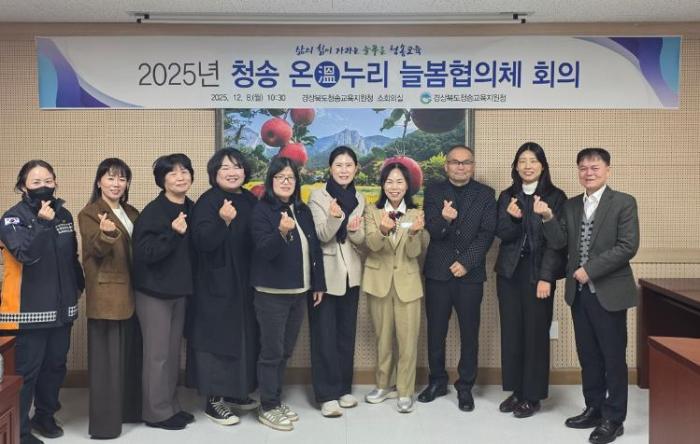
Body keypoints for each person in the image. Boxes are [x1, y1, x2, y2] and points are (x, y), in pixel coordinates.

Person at [537, 148, 639, 444]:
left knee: (613, 357)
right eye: (583, 168)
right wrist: (548, 217)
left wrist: (589, 270)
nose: (588, 173)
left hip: (609, 292)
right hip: (579, 294)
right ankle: (594, 408)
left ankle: (614, 418)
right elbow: (559, 242)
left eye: (595, 167)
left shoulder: (623, 202)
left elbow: (627, 246)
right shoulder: (571, 205)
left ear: (608, 170)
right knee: (589, 356)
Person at [0, 160, 84, 444]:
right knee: (26, 373)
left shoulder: (64, 215)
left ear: (56, 182)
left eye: (48, 181)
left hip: (62, 311)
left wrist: (78, 286)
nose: (43, 186)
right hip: (27, 313)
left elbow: (71, 257)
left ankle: (45, 416)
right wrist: (41, 223)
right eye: (36, 182)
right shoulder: (12, 218)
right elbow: (25, 254)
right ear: (23, 186)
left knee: (55, 368)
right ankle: (20, 430)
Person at [250, 156, 325, 431]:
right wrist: (281, 233)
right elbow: (264, 251)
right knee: (271, 352)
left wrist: (318, 284)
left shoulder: (301, 210)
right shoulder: (261, 211)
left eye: (290, 177)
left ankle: (275, 398)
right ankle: (267, 406)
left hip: (299, 291)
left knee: (284, 350)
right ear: (270, 181)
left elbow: (314, 249)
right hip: (271, 293)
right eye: (280, 177)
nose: (285, 181)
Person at [419, 144, 496, 412]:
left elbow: (487, 233)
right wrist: (445, 219)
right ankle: (437, 382)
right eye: (455, 162)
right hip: (438, 274)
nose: (460, 167)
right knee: (436, 331)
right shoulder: (433, 191)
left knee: (469, 333)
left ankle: (465, 387)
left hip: (470, 275)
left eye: (466, 162)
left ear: (473, 166)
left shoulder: (486, 194)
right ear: (446, 166)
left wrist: (466, 262)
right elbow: (432, 230)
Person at [494, 143, 567, 418]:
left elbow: (557, 243)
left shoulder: (555, 197)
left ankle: (533, 396)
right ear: (515, 166)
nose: (527, 166)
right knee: (512, 332)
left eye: (533, 161)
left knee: (536, 334)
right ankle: (517, 391)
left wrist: (547, 277)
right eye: (522, 161)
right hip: (510, 273)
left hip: (539, 273)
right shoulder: (507, 195)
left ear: (542, 166)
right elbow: (501, 234)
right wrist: (513, 219)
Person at [189, 148, 260, 426]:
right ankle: (214, 400)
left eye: (237, 167)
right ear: (214, 173)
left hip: (246, 281)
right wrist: (224, 221)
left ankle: (235, 392)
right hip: (215, 283)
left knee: (242, 337)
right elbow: (202, 242)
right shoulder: (208, 201)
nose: (232, 172)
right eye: (225, 168)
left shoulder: (250, 199)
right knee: (217, 339)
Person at [78, 158, 142, 439]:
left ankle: (129, 412)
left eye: (122, 179)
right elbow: (93, 251)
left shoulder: (131, 211)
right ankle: (104, 427)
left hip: (134, 293)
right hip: (107, 296)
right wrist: (105, 235)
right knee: (106, 365)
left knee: (128, 359)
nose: (116, 184)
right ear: (99, 181)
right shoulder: (90, 213)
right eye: (110, 177)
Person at [132, 153, 195, 431]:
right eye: (173, 173)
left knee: (172, 353)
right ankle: (156, 413)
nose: (180, 177)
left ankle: (170, 406)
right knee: (157, 356)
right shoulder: (154, 212)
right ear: (162, 180)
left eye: (185, 171)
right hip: (154, 292)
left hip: (179, 291)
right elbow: (145, 253)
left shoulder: (192, 207)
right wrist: (172, 233)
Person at [362, 162, 429, 414]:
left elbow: (414, 253)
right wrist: (382, 230)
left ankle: (405, 390)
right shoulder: (372, 211)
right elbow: (371, 245)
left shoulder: (416, 214)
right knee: (383, 339)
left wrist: (414, 234)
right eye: (389, 181)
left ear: (407, 186)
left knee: (408, 341)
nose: (394, 187)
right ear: (382, 185)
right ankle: (383, 385)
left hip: (408, 285)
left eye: (399, 182)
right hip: (378, 283)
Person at [307, 146, 366, 417]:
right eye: (338, 165)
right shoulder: (317, 196)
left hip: (351, 274)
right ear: (330, 168)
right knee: (324, 336)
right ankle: (326, 394)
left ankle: (343, 389)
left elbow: (360, 240)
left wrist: (355, 232)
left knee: (345, 334)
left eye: (348, 165)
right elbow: (321, 235)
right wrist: (334, 217)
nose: (344, 170)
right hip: (325, 275)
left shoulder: (360, 198)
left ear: (356, 169)